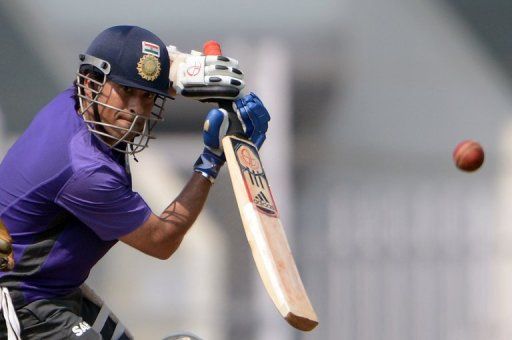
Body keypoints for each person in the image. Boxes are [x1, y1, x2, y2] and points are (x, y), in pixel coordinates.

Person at [0, 25, 270, 339]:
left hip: (53, 290)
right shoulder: (86, 170)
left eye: (146, 97)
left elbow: (134, 65)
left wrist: (183, 68)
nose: (134, 110)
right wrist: (211, 161)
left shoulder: (74, 102)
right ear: (90, 83)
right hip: (20, 300)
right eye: (126, 91)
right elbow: (161, 240)